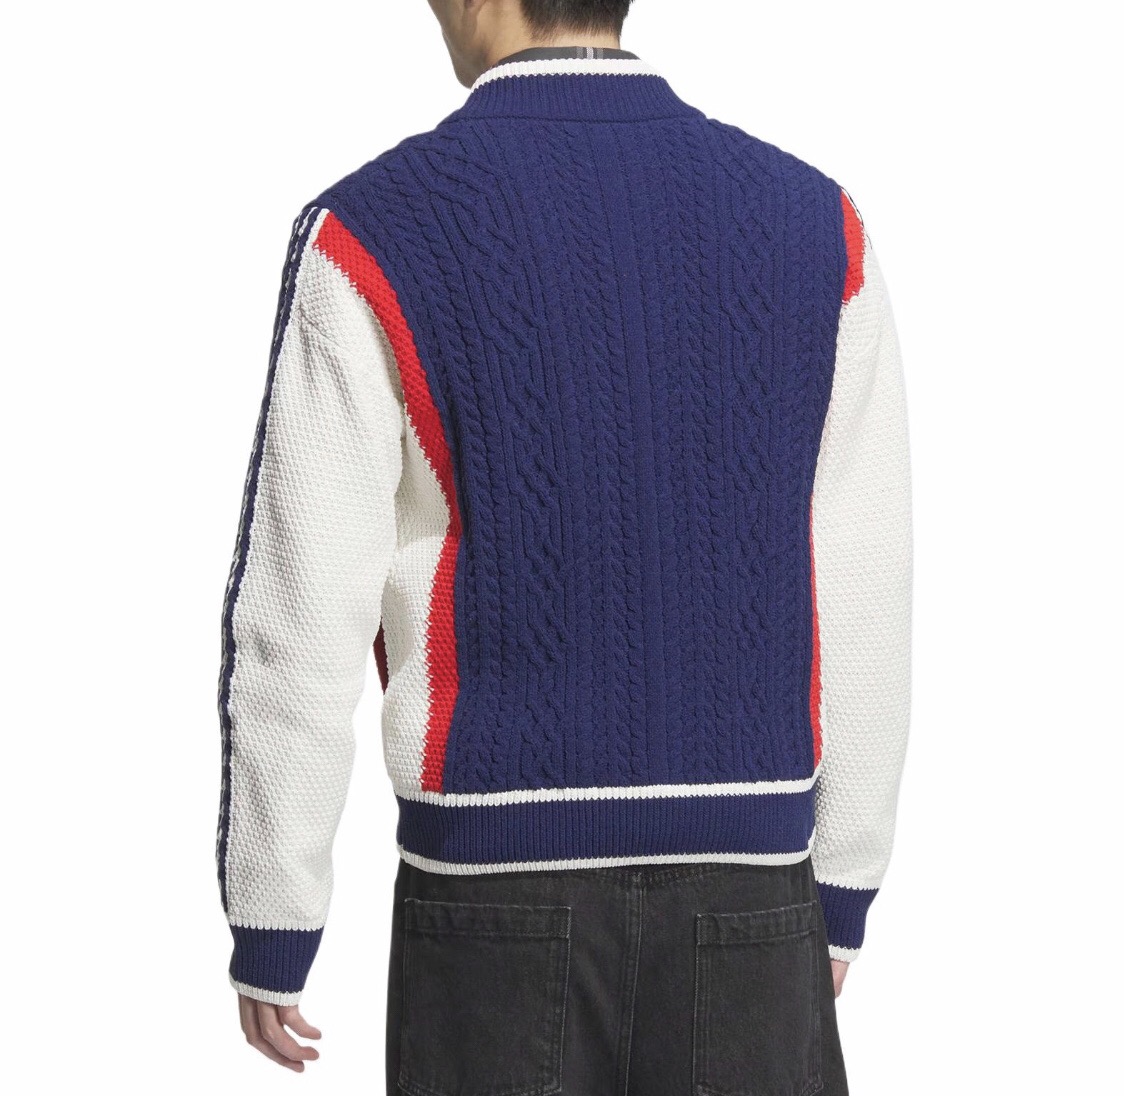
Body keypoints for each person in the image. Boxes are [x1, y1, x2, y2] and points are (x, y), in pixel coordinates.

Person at [214, 0, 913, 1090]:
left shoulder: (370, 230)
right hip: (751, 896)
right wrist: (844, 884)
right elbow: (862, 583)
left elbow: (300, 611)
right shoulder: (816, 224)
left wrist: (274, 911)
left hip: (490, 906)